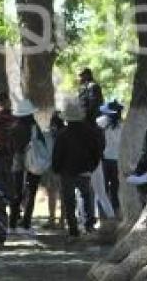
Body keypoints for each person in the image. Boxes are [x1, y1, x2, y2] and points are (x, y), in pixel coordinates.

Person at [52, 99, 103, 237]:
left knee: (69, 201)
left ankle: (73, 229)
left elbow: (57, 154)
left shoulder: (62, 134)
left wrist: (56, 169)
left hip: (66, 172)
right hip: (85, 170)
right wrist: (92, 166)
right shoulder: (90, 132)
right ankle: (88, 225)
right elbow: (97, 151)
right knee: (87, 197)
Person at [8, 98, 42, 235]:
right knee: (31, 191)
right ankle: (26, 222)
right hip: (33, 160)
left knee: (16, 192)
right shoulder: (35, 127)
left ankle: (12, 222)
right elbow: (41, 144)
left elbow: (10, 147)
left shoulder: (14, 128)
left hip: (17, 160)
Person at [96, 101, 124, 213]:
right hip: (118, 160)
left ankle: (103, 214)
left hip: (103, 160)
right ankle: (116, 211)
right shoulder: (123, 125)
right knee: (115, 188)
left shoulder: (100, 122)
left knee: (102, 188)